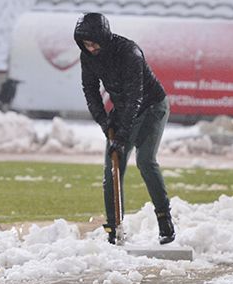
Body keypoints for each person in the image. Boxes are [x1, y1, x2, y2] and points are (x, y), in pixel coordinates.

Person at [74, 12, 175, 246]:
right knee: (112, 168)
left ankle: (164, 219)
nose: (90, 48)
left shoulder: (129, 53)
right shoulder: (87, 57)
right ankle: (114, 227)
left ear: (104, 37)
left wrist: (121, 135)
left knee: (145, 161)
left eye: (93, 42)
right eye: (85, 44)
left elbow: (135, 97)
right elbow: (90, 90)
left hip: (151, 106)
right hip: (123, 108)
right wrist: (103, 121)